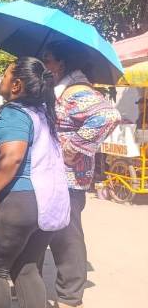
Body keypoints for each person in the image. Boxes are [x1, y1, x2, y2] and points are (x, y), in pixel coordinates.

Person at [0, 57, 71, 308]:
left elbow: (12, 157)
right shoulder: (42, 114)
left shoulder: (15, 113)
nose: (0, 80)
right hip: (42, 207)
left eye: (4, 75)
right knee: (25, 269)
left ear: (16, 85)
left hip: (12, 202)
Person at [43, 40, 120, 308]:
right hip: (56, 176)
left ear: (62, 63)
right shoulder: (61, 90)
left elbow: (108, 115)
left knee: (67, 237)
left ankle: (70, 297)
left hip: (69, 178)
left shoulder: (75, 90)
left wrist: (72, 148)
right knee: (49, 233)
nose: (45, 65)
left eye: (49, 60)